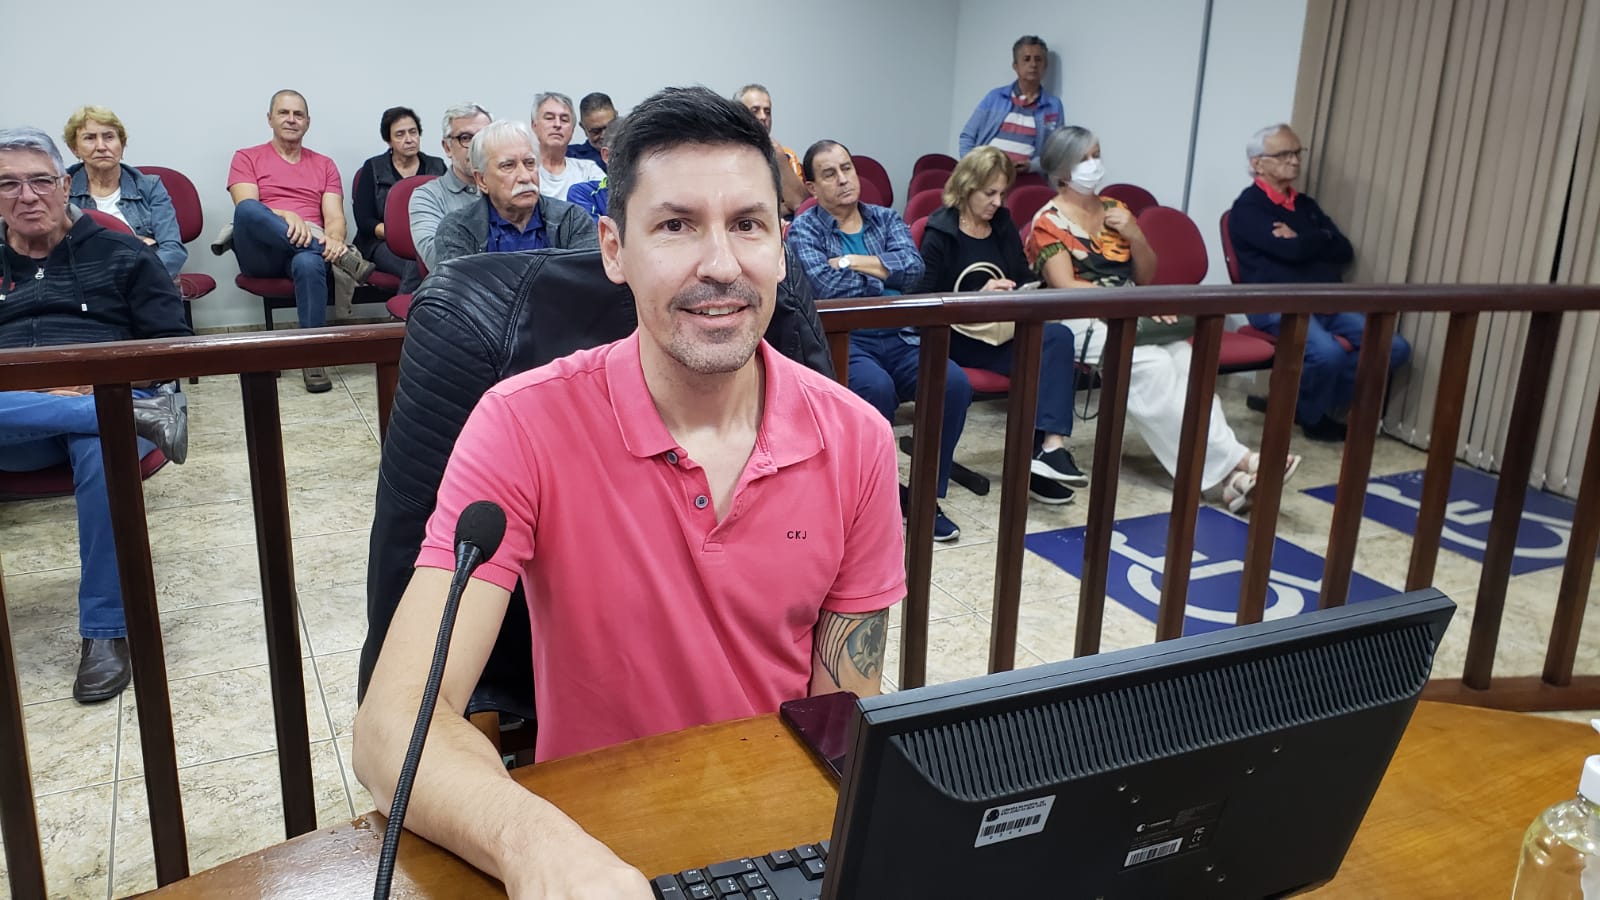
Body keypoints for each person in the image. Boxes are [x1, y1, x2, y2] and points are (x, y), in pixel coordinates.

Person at [353, 86, 904, 898]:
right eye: (676, 225)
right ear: (614, 249)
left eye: (748, 224)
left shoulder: (857, 439)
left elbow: (841, 719)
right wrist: (535, 846)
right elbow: (391, 728)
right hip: (593, 844)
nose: (720, 264)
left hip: (774, 842)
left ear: (782, 247)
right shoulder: (521, 422)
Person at [0, 128, 191, 702]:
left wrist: (110, 386)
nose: (26, 196)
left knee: (104, 444)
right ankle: (137, 416)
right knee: (108, 420)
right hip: (16, 420)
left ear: (65, 186)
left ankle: (106, 632)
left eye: (40, 181)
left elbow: (172, 348)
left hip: (108, 396)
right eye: (8, 184)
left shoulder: (123, 252)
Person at [1030, 126, 1298, 513]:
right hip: (1078, 317)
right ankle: (1238, 463)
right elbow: (1065, 286)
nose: (1093, 165)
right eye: (1082, 159)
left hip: (1130, 310)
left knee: (1187, 362)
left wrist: (1136, 235)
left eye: (1096, 155)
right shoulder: (1048, 220)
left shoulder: (1116, 209)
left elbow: (1146, 275)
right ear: (1060, 169)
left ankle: (1231, 480)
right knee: (1152, 366)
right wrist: (1130, 303)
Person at [787, 139, 971, 542]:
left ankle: (924, 495)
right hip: (848, 340)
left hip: (901, 334)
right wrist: (885, 277)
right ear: (812, 187)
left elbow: (914, 271)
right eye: (830, 174)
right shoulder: (804, 229)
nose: (843, 179)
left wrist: (851, 262)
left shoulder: (886, 219)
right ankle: (876, 496)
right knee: (875, 389)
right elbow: (824, 286)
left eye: (847, 168)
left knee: (952, 384)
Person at [910, 146, 1085, 505]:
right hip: (957, 335)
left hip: (999, 329)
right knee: (1039, 358)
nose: (997, 202)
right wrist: (977, 295)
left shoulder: (1002, 224)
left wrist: (1023, 287)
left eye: (1003, 194)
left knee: (1056, 338)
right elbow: (922, 299)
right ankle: (1037, 463)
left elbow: (1022, 274)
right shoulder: (939, 230)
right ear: (966, 187)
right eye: (989, 193)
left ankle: (1049, 451)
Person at [1229, 123, 1411, 441]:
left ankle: (1305, 403)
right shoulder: (1247, 209)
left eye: (1297, 153)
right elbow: (1293, 251)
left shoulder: (1305, 206)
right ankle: (1313, 417)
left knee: (1393, 347)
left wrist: (1303, 238)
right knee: (1328, 353)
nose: (1295, 160)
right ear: (1257, 163)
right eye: (1284, 154)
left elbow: (1342, 249)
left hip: (1325, 300)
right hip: (1275, 304)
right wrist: (1316, 240)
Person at [224, 89, 374, 393]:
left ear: (307, 122)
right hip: (261, 250)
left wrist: (334, 239)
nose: (291, 119)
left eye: (298, 114)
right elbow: (245, 206)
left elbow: (334, 218)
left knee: (308, 262)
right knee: (248, 209)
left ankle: (312, 357)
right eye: (284, 113)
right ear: (270, 119)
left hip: (306, 249)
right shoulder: (246, 157)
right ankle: (341, 259)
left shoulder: (325, 164)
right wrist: (284, 216)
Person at [431, 120, 598, 264]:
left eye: (529, 163)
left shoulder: (572, 219)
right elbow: (457, 290)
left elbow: (588, 282)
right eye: (508, 166)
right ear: (482, 180)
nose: (525, 177)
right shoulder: (458, 229)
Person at [63, 106, 186, 280]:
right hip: (85, 281)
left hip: (145, 281)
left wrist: (135, 279)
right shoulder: (60, 189)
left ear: (121, 144)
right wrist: (138, 243)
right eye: (90, 138)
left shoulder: (149, 186)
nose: (101, 146)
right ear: (74, 148)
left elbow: (173, 249)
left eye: (109, 137)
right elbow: (56, 250)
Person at [353, 106, 446, 280]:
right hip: (383, 243)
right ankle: (412, 299)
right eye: (400, 134)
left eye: (413, 132)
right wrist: (400, 236)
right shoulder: (373, 168)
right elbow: (364, 221)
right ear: (388, 140)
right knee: (417, 264)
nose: (409, 139)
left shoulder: (437, 166)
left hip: (429, 239)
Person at [408, 103, 492, 278]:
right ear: (447, 147)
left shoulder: (508, 188)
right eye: (466, 138)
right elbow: (440, 261)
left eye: (484, 137)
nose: (477, 146)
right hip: (457, 288)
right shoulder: (427, 197)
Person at [958, 35, 1065, 172]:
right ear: (1015, 66)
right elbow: (967, 137)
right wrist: (973, 168)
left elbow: (1057, 153)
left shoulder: (1053, 106)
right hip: (986, 174)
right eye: (1026, 59)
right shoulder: (995, 97)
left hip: (1027, 178)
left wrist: (1032, 166)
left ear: (1045, 66)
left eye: (1038, 59)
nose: (1033, 64)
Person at [734, 84, 807, 216]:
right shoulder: (725, 156)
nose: (763, 117)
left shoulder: (785, 155)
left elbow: (800, 204)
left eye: (767, 112)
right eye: (755, 110)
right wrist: (780, 209)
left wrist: (779, 157)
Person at [530, 92, 605, 202]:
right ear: (534, 126)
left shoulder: (588, 171)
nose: (557, 124)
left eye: (564, 120)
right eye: (549, 118)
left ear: (572, 130)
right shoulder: (524, 170)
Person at [567, 114, 621, 221]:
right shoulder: (584, 193)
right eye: (627, 153)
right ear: (607, 156)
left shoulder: (652, 191)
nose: (636, 161)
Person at [567, 92, 614, 172]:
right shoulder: (571, 157)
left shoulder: (633, 150)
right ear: (583, 128)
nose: (604, 135)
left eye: (609, 127)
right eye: (596, 131)